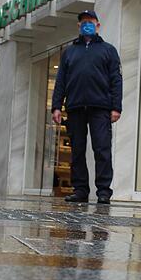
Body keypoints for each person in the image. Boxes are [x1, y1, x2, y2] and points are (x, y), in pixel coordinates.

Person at [51, 10, 122, 205]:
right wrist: (56, 106)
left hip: (101, 108)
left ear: (98, 25)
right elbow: (61, 81)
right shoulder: (70, 52)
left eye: (90, 22)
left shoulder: (108, 50)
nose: (87, 25)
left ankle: (104, 191)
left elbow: (116, 80)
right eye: (83, 22)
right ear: (79, 26)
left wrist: (116, 107)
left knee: (102, 150)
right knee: (77, 151)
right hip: (75, 107)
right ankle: (80, 190)